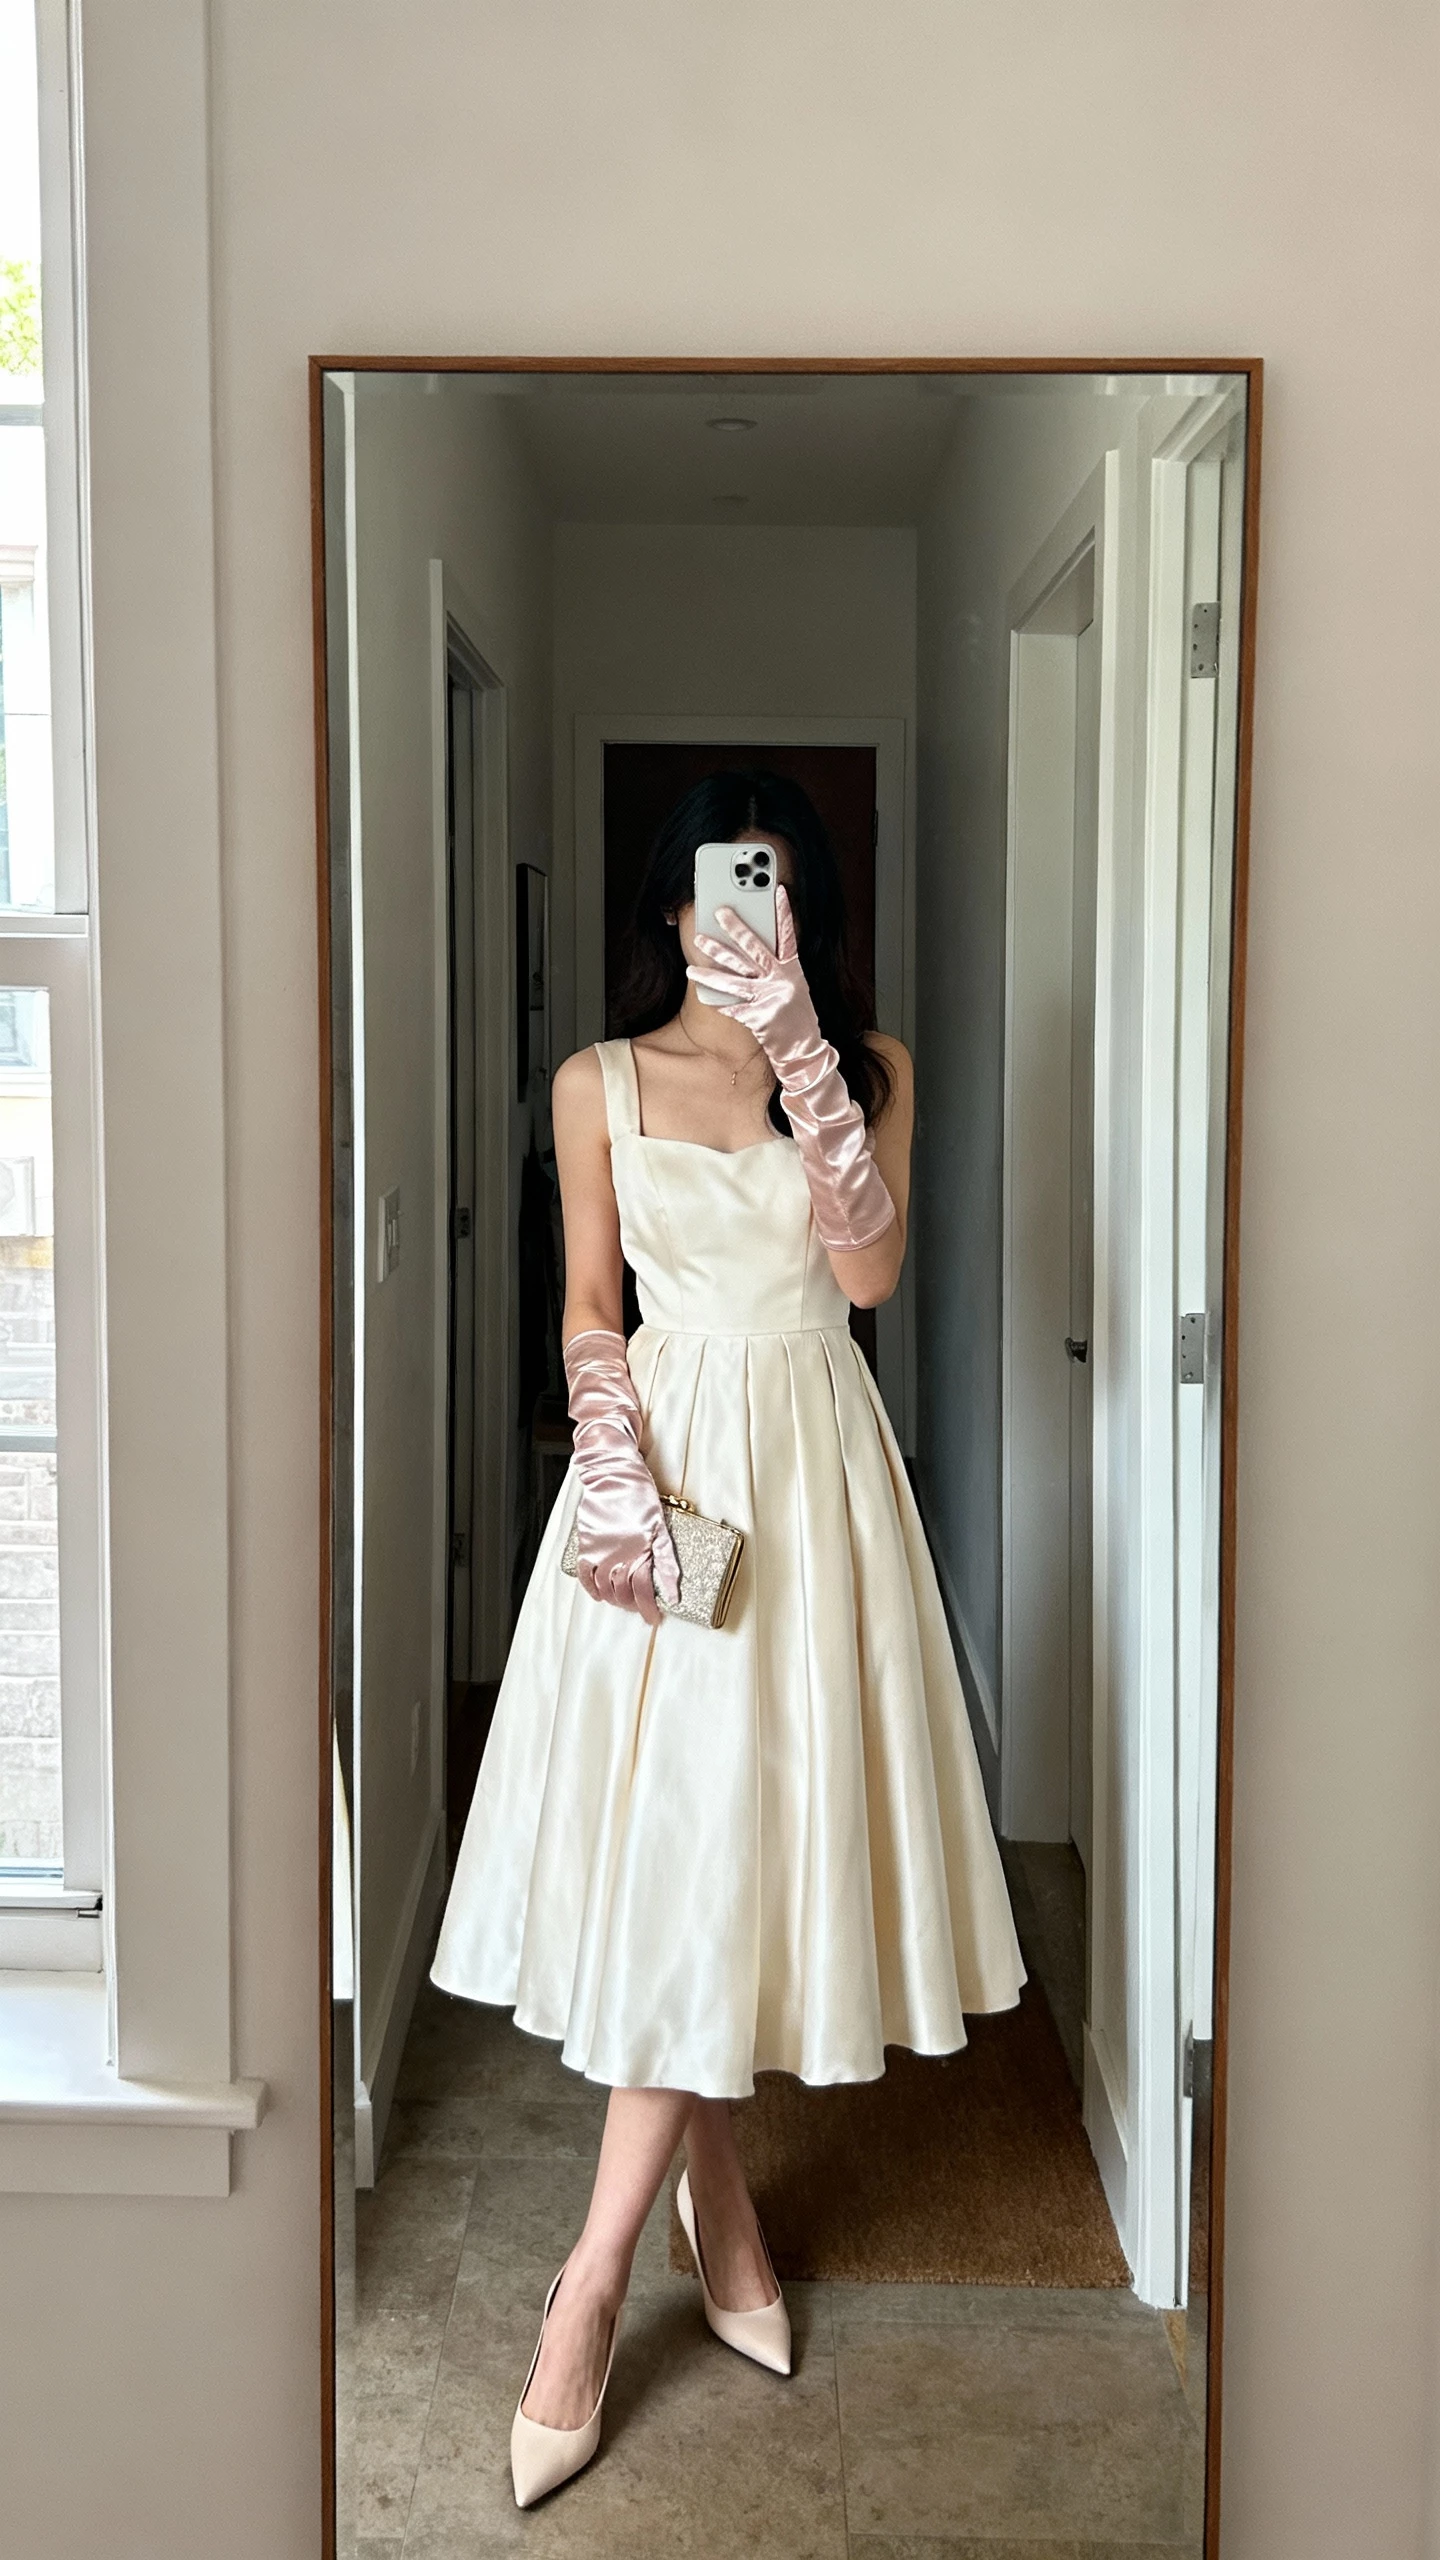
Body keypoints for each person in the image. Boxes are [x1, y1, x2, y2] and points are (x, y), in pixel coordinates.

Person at [430, 770, 1024, 2507]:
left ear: (794, 913)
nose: (727, 923)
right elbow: (589, 1299)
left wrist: (806, 1059)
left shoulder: (875, 1066)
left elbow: (866, 1281)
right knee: (683, 1852)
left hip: (822, 1477)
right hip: (663, 1474)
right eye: (705, 895)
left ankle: (610, 2275)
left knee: (750, 1844)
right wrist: (613, 1469)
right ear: (667, 911)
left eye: (762, 896)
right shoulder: (595, 1084)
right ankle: (693, 2238)